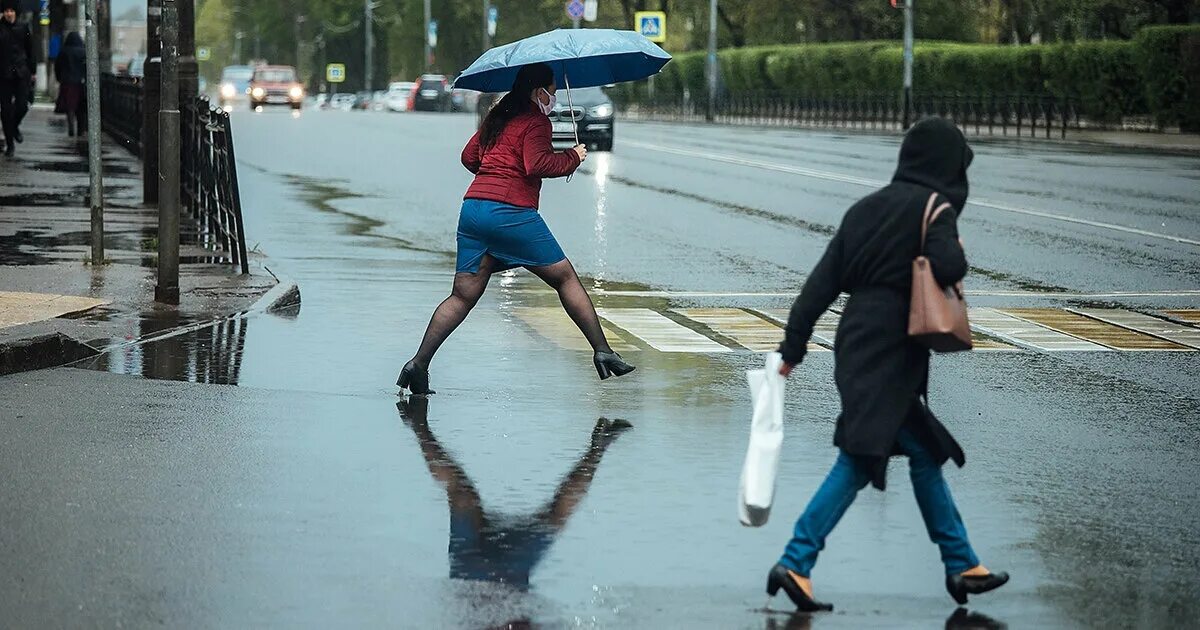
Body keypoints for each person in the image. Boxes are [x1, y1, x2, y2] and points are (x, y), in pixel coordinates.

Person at [767, 118, 1008, 611]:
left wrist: (793, 350)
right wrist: (955, 249)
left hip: (858, 341)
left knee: (921, 453)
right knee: (860, 456)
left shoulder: (865, 209)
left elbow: (819, 287)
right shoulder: (934, 208)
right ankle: (795, 561)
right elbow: (949, 268)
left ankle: (961, 564)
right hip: (892, 349)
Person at [397, 62, 634, 395]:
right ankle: (603, 351)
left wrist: (494, 173)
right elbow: (536, 164)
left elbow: (469, 156)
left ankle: (418, 364)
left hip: (474, 210)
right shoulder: (536, 120)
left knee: (462, 296)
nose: (553, 97)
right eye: (551, 91)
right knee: (564, 278)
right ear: (539, 91)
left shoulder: (498, 115)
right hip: (511, 214)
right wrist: (572, 157)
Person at [397, 398, 631, 589]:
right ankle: (598, 448)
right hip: (497, 579)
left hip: (483, 578)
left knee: (462, 495)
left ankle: (418, 425)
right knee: (552, 515)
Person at [0, 0, 34, 157]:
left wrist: (33, 71)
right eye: (6, 11)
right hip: (3, 74)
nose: (8, 13)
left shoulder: (24, 27)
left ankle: (14, 127)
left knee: (22, 106)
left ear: (16, 12)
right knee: (6, 111)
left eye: (11, 11)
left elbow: (30, 49)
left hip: (21, 72)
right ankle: (10, 144)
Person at [54, 32, 86, 137]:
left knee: (70, 107)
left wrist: (60, 78)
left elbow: (57, 67)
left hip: (67, 83)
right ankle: (80, 130)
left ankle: (71, 127)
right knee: (80, 108)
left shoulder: (63, 51)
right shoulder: (83, 52)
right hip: (80, 84)